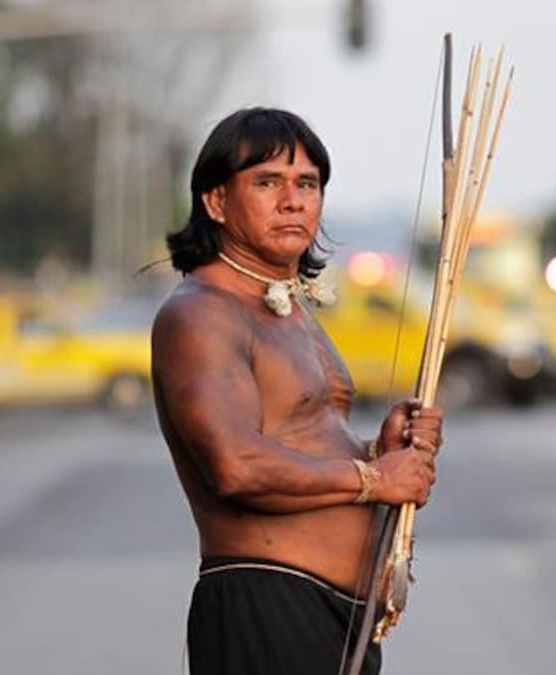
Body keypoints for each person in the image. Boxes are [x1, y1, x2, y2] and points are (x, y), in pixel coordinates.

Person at [151, 108, 444, 675]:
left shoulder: (288, 308)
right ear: (216, 202)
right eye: (267, 182)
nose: (293, 200)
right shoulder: (202, 315)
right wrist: (375, 479)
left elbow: (302, 442)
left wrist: (377, 449)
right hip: (267, 608)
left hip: (336, 617)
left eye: (306, 184)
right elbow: (236, 466)